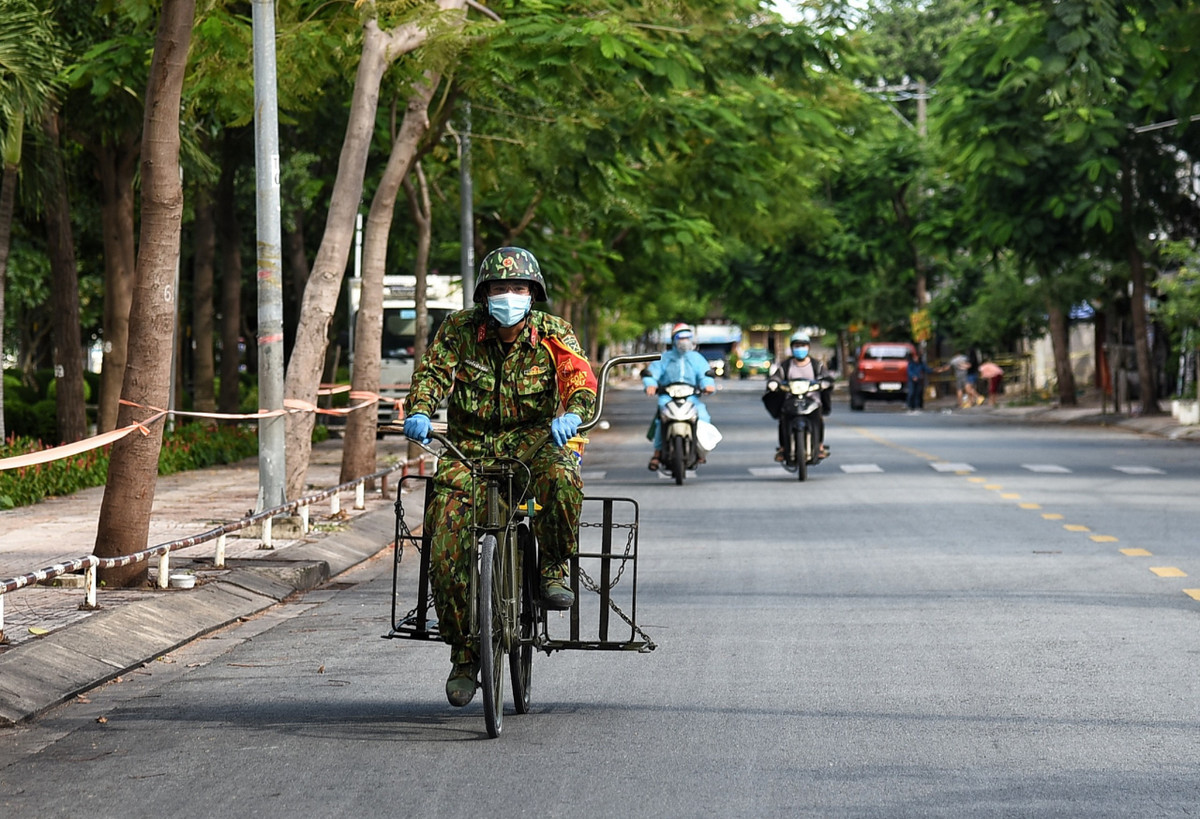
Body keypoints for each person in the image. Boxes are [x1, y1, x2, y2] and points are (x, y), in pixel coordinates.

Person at [402, 246, 597, 708]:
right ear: (484, 293)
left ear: (533, 294)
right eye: (499, 288)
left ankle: (552, 565)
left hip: (534, 446)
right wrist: (421, 410)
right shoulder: (460, 330)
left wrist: (573, 414)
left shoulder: (553, 333)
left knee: (565, 476)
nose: (508, 295)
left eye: (518, 288)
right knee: (446, 540)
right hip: (466, 451)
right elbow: (432, 374)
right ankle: (465, 654)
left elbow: (581, 381)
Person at [643, 323, 716, 470]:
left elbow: (705, 375)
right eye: (680, 337)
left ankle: (700, 451)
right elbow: (652, 374)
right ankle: (657, 454)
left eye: (687, 337)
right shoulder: (664, 358)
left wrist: (708, 385)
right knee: (660, 421)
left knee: (704, 418)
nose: (684, 341)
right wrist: (650, 384)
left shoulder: (697, 358)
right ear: (673, 340)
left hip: (691, 398)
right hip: (668, 398)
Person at [765, 331, 832, 461]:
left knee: (819, 418)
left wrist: (825, 383)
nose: (800, 348)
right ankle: (783, 448)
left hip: (813, 401)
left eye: (803, 345)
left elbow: (827, 377)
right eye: (797, 345)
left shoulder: (817, 365)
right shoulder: (786, 365)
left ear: (808, 347)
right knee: (783, 418)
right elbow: (776, 377)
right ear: (792, 348)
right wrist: (773, 383)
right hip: (791, 400)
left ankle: (820, 446)